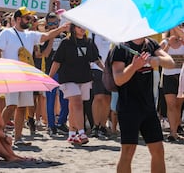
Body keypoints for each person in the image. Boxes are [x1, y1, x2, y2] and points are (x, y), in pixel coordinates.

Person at [0, 7, 69, 146]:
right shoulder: (6, 33)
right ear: (17, 19)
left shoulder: (30, 34)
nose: (30, 21)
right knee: (11, 105)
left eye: (30, 18)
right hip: (11, 75)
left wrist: (61, 28)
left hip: (25, 76)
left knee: (22, 107)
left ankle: (18, 137)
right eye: (27, 18)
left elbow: (46, 36)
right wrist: (0, 68)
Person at [112, 37, 174, 173]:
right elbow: (118, 79)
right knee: (128, 151)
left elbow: (170, 62)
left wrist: (155, 60)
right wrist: (134, 67)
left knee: (158, 150)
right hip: (128, 107)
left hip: (148, 107)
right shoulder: (121, 47)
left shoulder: (150, 44)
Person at [48, 24, 103, 146]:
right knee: (77, 103)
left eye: (83, 26)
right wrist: (50, 78)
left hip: (84, 77)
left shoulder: (89, 42)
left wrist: (106, 72)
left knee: (74, 106)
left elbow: (96, 59)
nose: (82, 29)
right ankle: (81, 133)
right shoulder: (65, 43)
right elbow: (57, 61)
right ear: (73, 28)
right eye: (79, 27)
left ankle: (72, 134)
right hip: (68, 78)